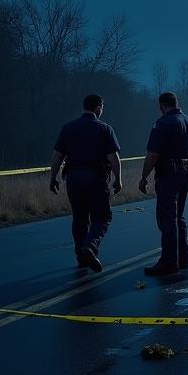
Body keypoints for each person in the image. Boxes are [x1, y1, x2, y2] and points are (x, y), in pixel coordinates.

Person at [49, 94, 122, 273]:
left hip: (73, 177)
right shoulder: (105, 128)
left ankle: (81, 257)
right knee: (102, 217)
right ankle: (90, 246)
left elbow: (57, 155)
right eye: (102, 107)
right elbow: (113, 158)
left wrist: (53, 177)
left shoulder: (68, 128)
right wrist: (118, 179)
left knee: (79, 218)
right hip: (96, 177)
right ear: (98, 108)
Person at [139, 91, 188, 276]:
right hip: (186, 172)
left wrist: (144, 176)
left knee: (167, 219)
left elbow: (153, 154)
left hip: (168, 174)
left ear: (162, 105)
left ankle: (169, 261)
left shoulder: (162, 123)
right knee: (179, 216)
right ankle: (183, 257)